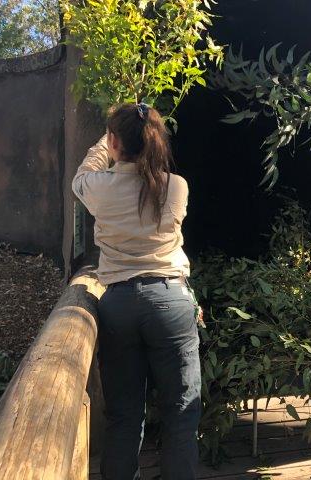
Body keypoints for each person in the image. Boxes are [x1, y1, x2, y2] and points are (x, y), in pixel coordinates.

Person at [72, 103, 200, 480]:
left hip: (119, 305)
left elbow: (82, 174)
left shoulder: (98, 187)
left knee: (124, 418)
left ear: (115, 141)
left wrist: (105, 142)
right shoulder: (176, 187)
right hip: (171, 299)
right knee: (181, 415)